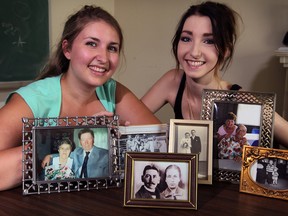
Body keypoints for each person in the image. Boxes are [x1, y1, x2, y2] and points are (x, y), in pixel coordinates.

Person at [0, 5, 160, 191]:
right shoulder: (33, 98)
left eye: (112, 48)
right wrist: (64, 136)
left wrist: (122, 139)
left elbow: (163, 147)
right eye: (92, 43)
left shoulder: (111, 90)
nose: (104, 57)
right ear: (67, 49)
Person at [141, 1, 288, 149]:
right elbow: (129, 123)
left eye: (209, 41)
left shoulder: (241, 99)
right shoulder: (172, 81)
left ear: (226, 51)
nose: (194, 52)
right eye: (186, 38)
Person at [43, 128, 108, 178]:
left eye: (89, 139)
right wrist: (49, 156)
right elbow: (65, 154)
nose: (86, 142)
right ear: (80, 142)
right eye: (83, 140)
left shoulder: (105, 154)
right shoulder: (77, 151)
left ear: (93, 139)